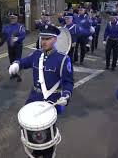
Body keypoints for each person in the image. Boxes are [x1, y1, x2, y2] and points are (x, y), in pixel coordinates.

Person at [9, 24, 73, 158]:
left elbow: (68, 82)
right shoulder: (37, 54)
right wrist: (16, 64)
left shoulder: (62, 59)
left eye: (47, 39)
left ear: (55, 39)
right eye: (42, 38)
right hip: (34, 98)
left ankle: (47, 154)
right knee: (31, 129)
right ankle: (36, 152)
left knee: (47, 134)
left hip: (51, 100)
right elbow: (24, 61)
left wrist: (66, 95)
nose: (43, 41)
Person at [2, 12, 26, 82]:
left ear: (17, 18)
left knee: (17, 60)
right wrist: (2, 40)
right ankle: (13, 74)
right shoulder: (6, 27)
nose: (12, 19)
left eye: (14, 18)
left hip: (18, 46)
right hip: (10, 46)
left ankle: (19, 75)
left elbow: (23, 35)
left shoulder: (20, 26)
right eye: (11, 17)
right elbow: (3, 35)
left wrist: (18, 38)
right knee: (11, 60)